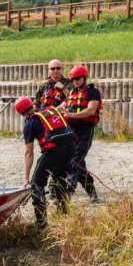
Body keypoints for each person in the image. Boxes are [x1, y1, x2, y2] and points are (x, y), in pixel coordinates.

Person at [15, 97, 76, 229]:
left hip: (54, 150)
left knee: (37, 183)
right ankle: (64, 213)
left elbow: (29, 153)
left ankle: (42, 224)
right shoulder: (50, 110)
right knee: (59, 178)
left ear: (20, 112)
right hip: (71, 147)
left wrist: (26, 177)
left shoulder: (30, 124)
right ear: (32, 105)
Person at [59, 65, 102, 202]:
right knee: (79, 164)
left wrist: (71, 115)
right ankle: (92, 193)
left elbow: (91, 110)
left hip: (85, 130)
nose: (75, 81)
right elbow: (60, 107)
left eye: (78, 78)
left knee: (75, 159)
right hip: (72, 130)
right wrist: (44, 113)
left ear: (84, 77)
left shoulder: (93, 92)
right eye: (73, 79)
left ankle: (68, 192)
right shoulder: (72, 93)